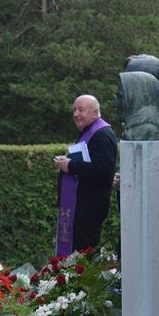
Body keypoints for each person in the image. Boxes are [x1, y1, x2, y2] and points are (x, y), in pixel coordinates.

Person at [54, 94, 118, 254]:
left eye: (81, 110)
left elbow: (103, 171)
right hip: (80, 208)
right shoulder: (90, 132)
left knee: (81, 258)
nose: (76, 114)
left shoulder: (102, 134)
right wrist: (67, 162)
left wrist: (70, 165)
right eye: (74, 110)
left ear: (95, 112)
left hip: (88, 210)